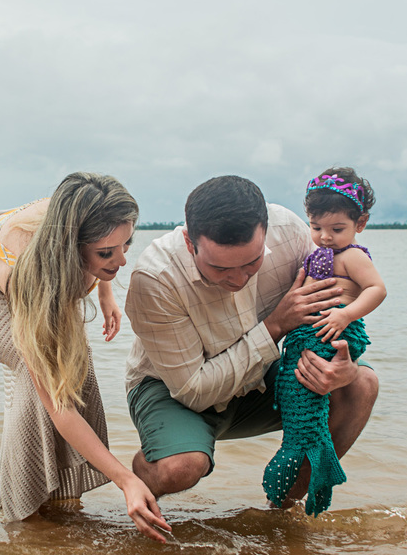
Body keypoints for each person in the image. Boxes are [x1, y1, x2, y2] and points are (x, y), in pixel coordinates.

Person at [123, 175, 379, 505]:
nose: (238, 278)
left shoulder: (290, 232)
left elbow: (337, 309)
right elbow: (192, 392)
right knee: (180, 466)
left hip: (260, 378)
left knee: (361, 384)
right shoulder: (155, 277)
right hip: (174, 389)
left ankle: (281, 510)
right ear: (189, 242)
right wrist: (274, 326)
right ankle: (152, 468)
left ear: (266, 231)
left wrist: (344, 366)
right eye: (219, 268)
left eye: (252, 263)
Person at [0, 172, 171, 541]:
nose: (121, 261)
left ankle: (63, 497)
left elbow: (106, 247)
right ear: (71, 246)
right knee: (38, 380)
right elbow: (58, 406)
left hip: (44, 265)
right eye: (106, 254)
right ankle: (21, 512)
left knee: (78, 367)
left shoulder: (89, 211)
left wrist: (106, 292)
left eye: (127, 244)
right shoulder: (28, 275)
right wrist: (125, 479)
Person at [263, 167, 386, 515]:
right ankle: (302, 455)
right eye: (316, 227)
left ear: (360, 223)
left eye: (337, 229)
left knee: (310, 399)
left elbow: (377, 289)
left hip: (335, 335)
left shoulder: (354, 256)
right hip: (307, 336)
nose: (325, 237)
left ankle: (305, 459)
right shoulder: (315, 254)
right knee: (296, 392)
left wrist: (346, 315)